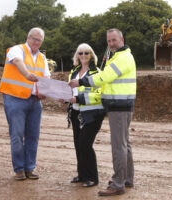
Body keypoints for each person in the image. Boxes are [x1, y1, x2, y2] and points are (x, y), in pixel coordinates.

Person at [69, 28, 136, 196]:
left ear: (122, 39)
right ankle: (127, 178)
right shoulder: (121, 56)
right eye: (109, 41)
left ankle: (118, 183)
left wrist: (81, 82)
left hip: (118, 106)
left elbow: (104, 77)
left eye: (114, 40)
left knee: (119, 146)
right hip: (120, 105)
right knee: (124, 144)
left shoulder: (122, 57)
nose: (111, 43)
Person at [0, 27, 50, 180]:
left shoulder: (42, 57)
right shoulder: (16, 50)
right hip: (15, 98)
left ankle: (29, 168)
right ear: (28, 37)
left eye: (39, 40)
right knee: (17, 134)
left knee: (33, 135)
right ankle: (19, 169)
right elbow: (18, 62)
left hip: (35, 101)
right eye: (33, 38)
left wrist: (44, 91)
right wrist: (27, 74)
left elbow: (46, 77)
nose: (36, 42)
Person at [65, 43, 105, 187]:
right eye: (80, 53)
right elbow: (70, 90)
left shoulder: (97, 73)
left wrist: (79, 99)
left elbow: (100, 95)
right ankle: (82, 175)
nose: (83, 56)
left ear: (91, 55)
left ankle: (93, 177)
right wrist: (63, 96)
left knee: (85, 144)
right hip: (76, 112)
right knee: (78, 144)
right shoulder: (74, 72)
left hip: (93, 114)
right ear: (77, 55)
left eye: (86, 53)